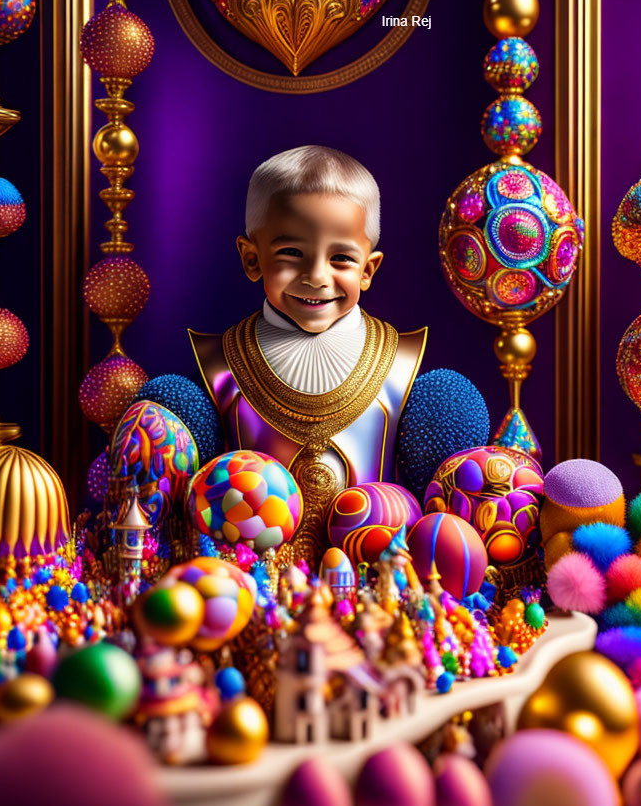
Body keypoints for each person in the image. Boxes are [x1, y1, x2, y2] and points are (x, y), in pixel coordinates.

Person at [187, 146, 488, 567]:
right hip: (250, 587)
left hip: (380, 588)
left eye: (341, 258)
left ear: (368, 270)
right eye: (291, 253)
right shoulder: (220, 365)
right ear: (251, 258)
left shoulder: (399, 362)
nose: (316, 276)